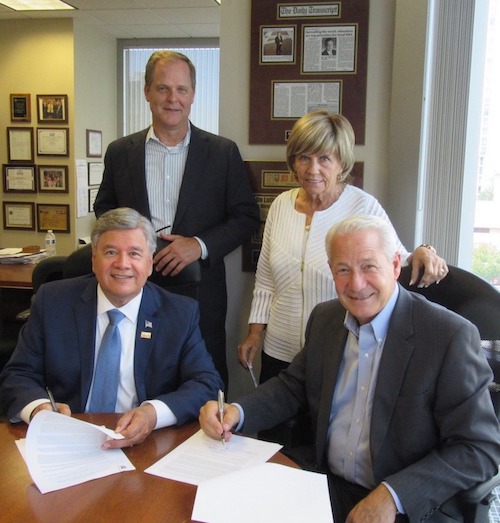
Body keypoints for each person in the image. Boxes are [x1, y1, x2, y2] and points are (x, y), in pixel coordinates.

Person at [200, 215, 500, 523]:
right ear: (331, 271)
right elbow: (293, 386)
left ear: (396, 265)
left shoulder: (448, 336)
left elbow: (479, 448)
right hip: (325, 486)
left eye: (369, 266)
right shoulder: (326, 319)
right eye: (343, 269)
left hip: (408, 504)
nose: (356, 284)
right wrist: (237, 411)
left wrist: (393, 494)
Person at [238, 111, 448, 386]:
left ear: (341, 163)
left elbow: (397, 259)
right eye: (304, 158)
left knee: (327, 427)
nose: (313, 169)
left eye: (324, 158)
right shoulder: (280, 206)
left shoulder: (362, 207)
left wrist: (424, 250)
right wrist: (255, 333)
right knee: (272, 424)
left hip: (338, 350)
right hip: (279, 350)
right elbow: (265, 277)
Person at [93, 51, 260, 388]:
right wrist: (135, 244)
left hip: (201, 290)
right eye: (163, 88)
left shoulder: (221, 152)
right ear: (147, 92)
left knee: (203, 379)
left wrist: (197, 246)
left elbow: (246, 217)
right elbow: (104, 210)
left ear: (193, 94)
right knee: (137, 375)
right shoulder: (120, 152)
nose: (173, 99)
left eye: (182, 90)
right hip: (135, 284)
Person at [0, 207, 223, 449]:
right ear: (94, 259)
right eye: (111, 252)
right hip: (66, 439)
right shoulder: (53, 301)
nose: (122, 264)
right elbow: (18, 374)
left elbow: (205, 383)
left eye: (135, 254)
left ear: (150, 263)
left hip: (143, 445)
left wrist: (152, 414)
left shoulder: (179, 313)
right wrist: (39, 409)